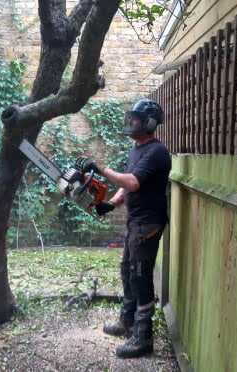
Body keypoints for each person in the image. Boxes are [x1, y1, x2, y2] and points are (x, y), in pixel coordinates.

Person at [75, 98, 171, 358]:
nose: (130, 122)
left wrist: (101, 169)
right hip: (136, 221)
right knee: (128, 271)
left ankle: (144, 337)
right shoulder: (136, 150)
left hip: (148, 223)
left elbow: (134, 182)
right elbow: (126, 184)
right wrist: (112, 203)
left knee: (140, 275)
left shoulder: (156, 151)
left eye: (136, 119)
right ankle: (126, 321)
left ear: (150, 123)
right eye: (131, 117)